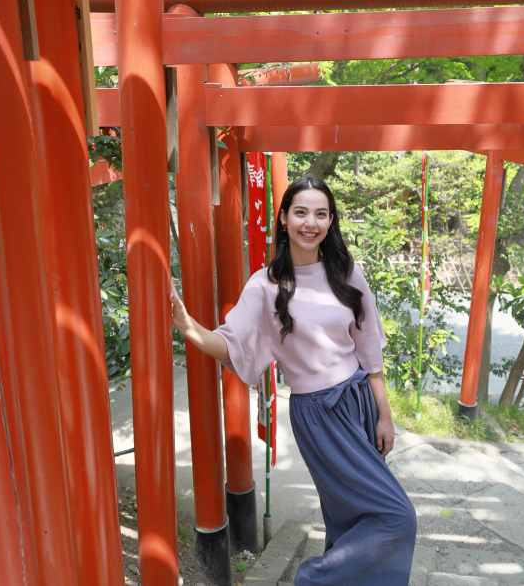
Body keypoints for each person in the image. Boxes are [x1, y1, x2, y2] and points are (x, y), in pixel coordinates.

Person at [169, 175, 417, 586]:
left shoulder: (346, 273)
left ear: (331, 220)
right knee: (397, 516)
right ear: (284, 218)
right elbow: (232, 345)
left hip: (359, 399)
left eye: (321, 214)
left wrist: (384, 415)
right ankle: (314, 579)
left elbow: (370, 351)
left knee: (349, 518)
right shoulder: (265, 287)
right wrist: (187, 325)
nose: (310, 223)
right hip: (319, 414)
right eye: (301, 212)